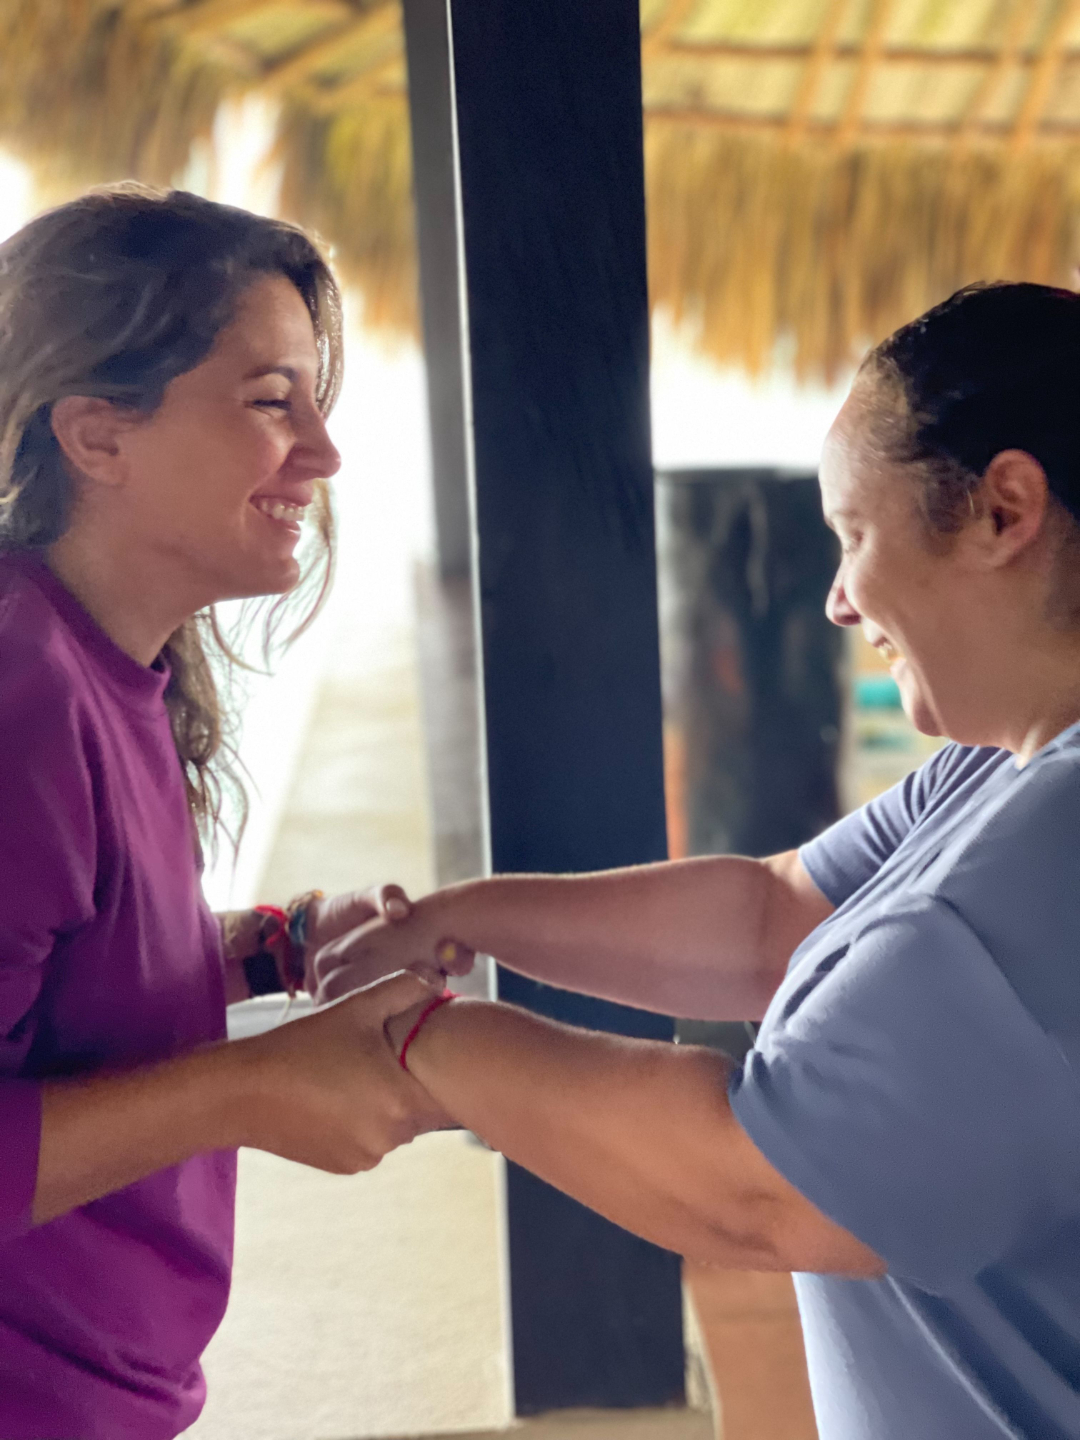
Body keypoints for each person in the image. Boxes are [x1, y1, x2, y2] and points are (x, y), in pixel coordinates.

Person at [320, 282, 1080, 1440]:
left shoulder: (1051, 851)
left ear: (1002, 510)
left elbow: (756, 1190)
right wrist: (453, 922)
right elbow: (770, 918)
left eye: (853, 535)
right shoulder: (1006, 762)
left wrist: (412, 1048)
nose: (836, 601)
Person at [0, 184, 455, 1440]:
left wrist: (277, 944)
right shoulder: (24, 694)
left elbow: (65, 983)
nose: (324, 452)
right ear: (97, 435)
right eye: (271, 402)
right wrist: (249, 1087)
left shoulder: (102, 661)